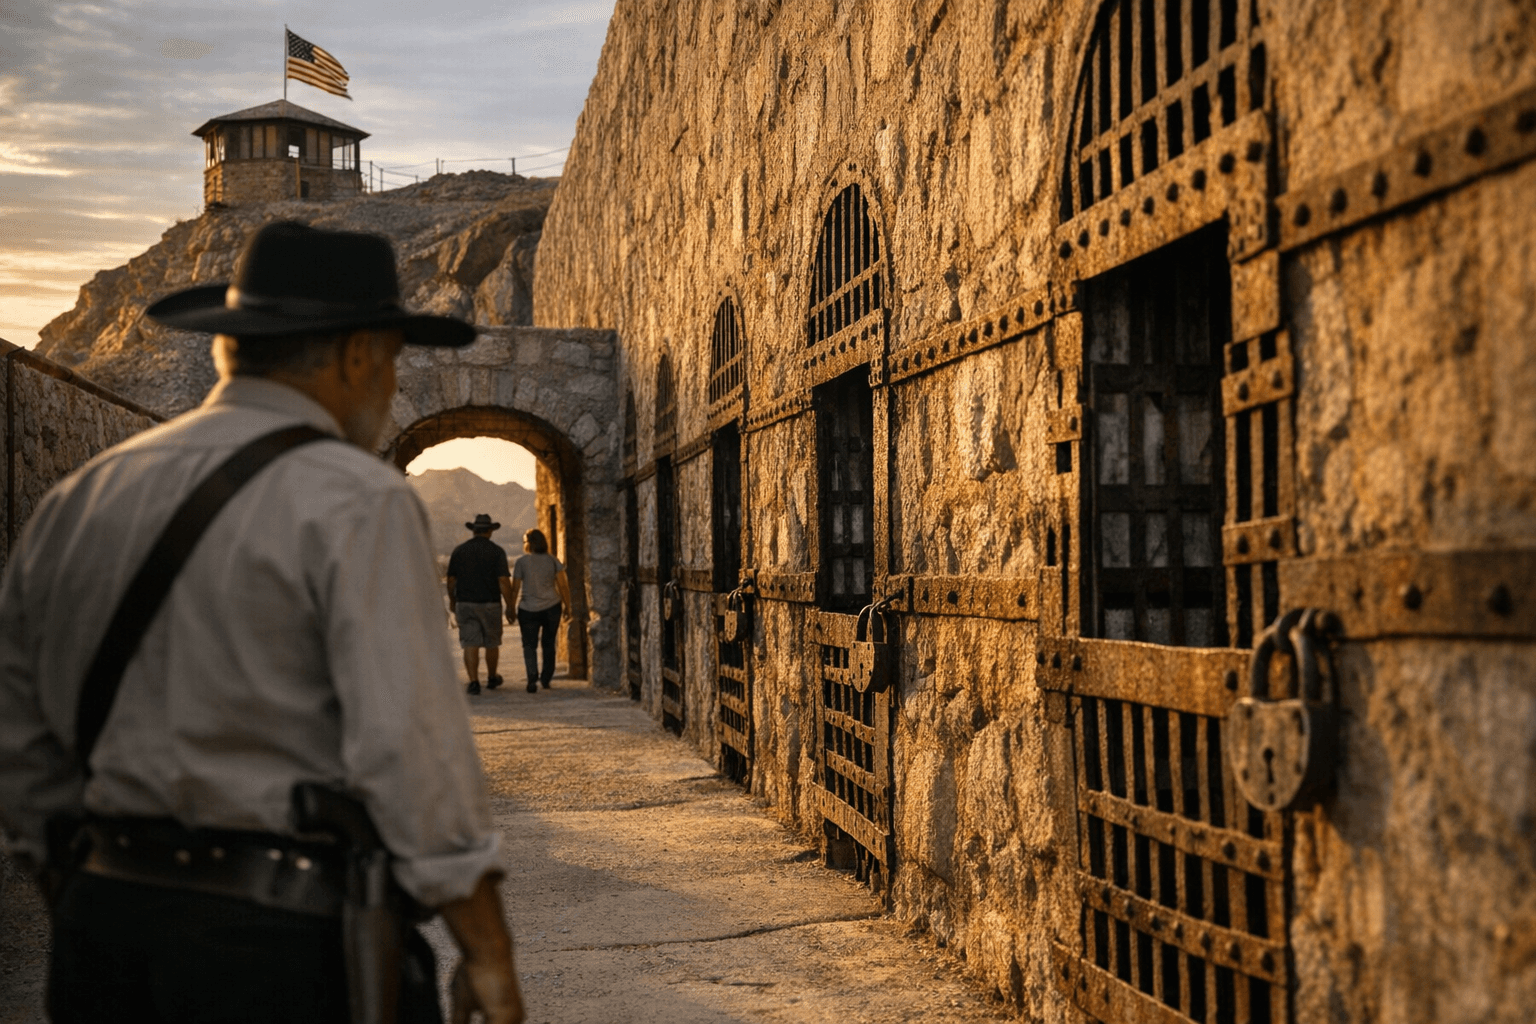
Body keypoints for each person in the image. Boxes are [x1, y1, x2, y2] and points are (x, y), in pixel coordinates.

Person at [0, 222, 524, 1024]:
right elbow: (412, 749)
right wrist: (485, 946)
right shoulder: (354, 497)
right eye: (389, 363)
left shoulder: (85, 495)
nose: (386, 387)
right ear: (358, 355)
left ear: (228, 347)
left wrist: (76, 885)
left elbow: (19, 727)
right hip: (278, 943)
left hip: (99, 928)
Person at [447, 514, 516, 696]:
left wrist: (453, 602)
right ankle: (492, 678)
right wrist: (510, 605)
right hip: (490, 604)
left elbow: (452, 580)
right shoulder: (497, 551)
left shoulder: (459, 551)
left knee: (470, 643)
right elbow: (503, 580)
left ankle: (474, 682)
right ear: (490, 530)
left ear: (474, 530)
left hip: (465, 603)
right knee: (492, 642)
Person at [507, 529, 570, 694]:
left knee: (529, 645)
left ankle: (532, 678)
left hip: (527, 609)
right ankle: (546, 678)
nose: (524, 545)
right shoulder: (552, 560)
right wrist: (568, 606)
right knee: (549, 644)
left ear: (530, 543)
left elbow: (515, 589)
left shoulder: (521, 562)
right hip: (552, 607)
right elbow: (563, 585)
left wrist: (510, 608)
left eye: (525, 542)